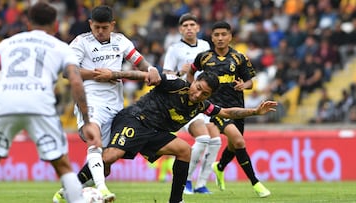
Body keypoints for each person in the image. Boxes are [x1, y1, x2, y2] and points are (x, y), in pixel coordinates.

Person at [76, 70, 278, 203]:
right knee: (109, 159)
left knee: (184, 151)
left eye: (205, 94)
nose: (198, 95)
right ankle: (71, 188)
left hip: (155, 133)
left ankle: (176, 200)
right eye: (198, 88)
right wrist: (114, 73)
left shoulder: (201, 106)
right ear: (195, 81)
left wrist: (255, 112)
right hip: (135, 120)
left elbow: (226, 112)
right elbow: (147, 74)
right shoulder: (177, 84)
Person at [51, 5, 161, 203]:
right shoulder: (81, 42)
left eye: (104, 27)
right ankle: (101, 190)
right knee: (94, 142)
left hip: (116, 106)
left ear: (112, 25)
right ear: (90, 24)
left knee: (107, 161)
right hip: (90, 101)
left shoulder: (120, 41)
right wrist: (96, 75)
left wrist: (151, 68)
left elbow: (140, 61)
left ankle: (66, 192)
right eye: (96, 27)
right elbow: (68, 72)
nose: (100, 31)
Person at [0, 2, 98, 203]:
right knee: (62, 164)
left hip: (4, 104)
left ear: (27, 23)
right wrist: (87, 121)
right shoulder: (60, 47)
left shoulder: (6, 43)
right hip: (40, 106)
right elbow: (76, 81)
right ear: (56, 25)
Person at [187, 21, 271, 198]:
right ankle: (256, 183)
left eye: (223, 34)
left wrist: (244, 85)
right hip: (215, 108)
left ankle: (219, 167)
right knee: (239, 141)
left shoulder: (239, 58)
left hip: (237, 108)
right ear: (212, 37)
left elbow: (250, 81)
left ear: (230, 37)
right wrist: (191, 90)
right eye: (216, 35)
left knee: (234, 145)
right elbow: (190, 72)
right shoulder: (204, 57)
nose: (220, 38)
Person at [163, 13, 217, 194]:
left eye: (192, 24)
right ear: (180, 29)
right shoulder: (174, 49)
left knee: (215, 140)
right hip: (184, 101)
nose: (189, 28)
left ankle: (201, 184)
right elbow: (166, 76)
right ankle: (184, 180)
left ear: (198, 27)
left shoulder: (205, 46)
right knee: (203, 138)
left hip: (203, 99)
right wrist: (180, 72)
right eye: (185, 25)